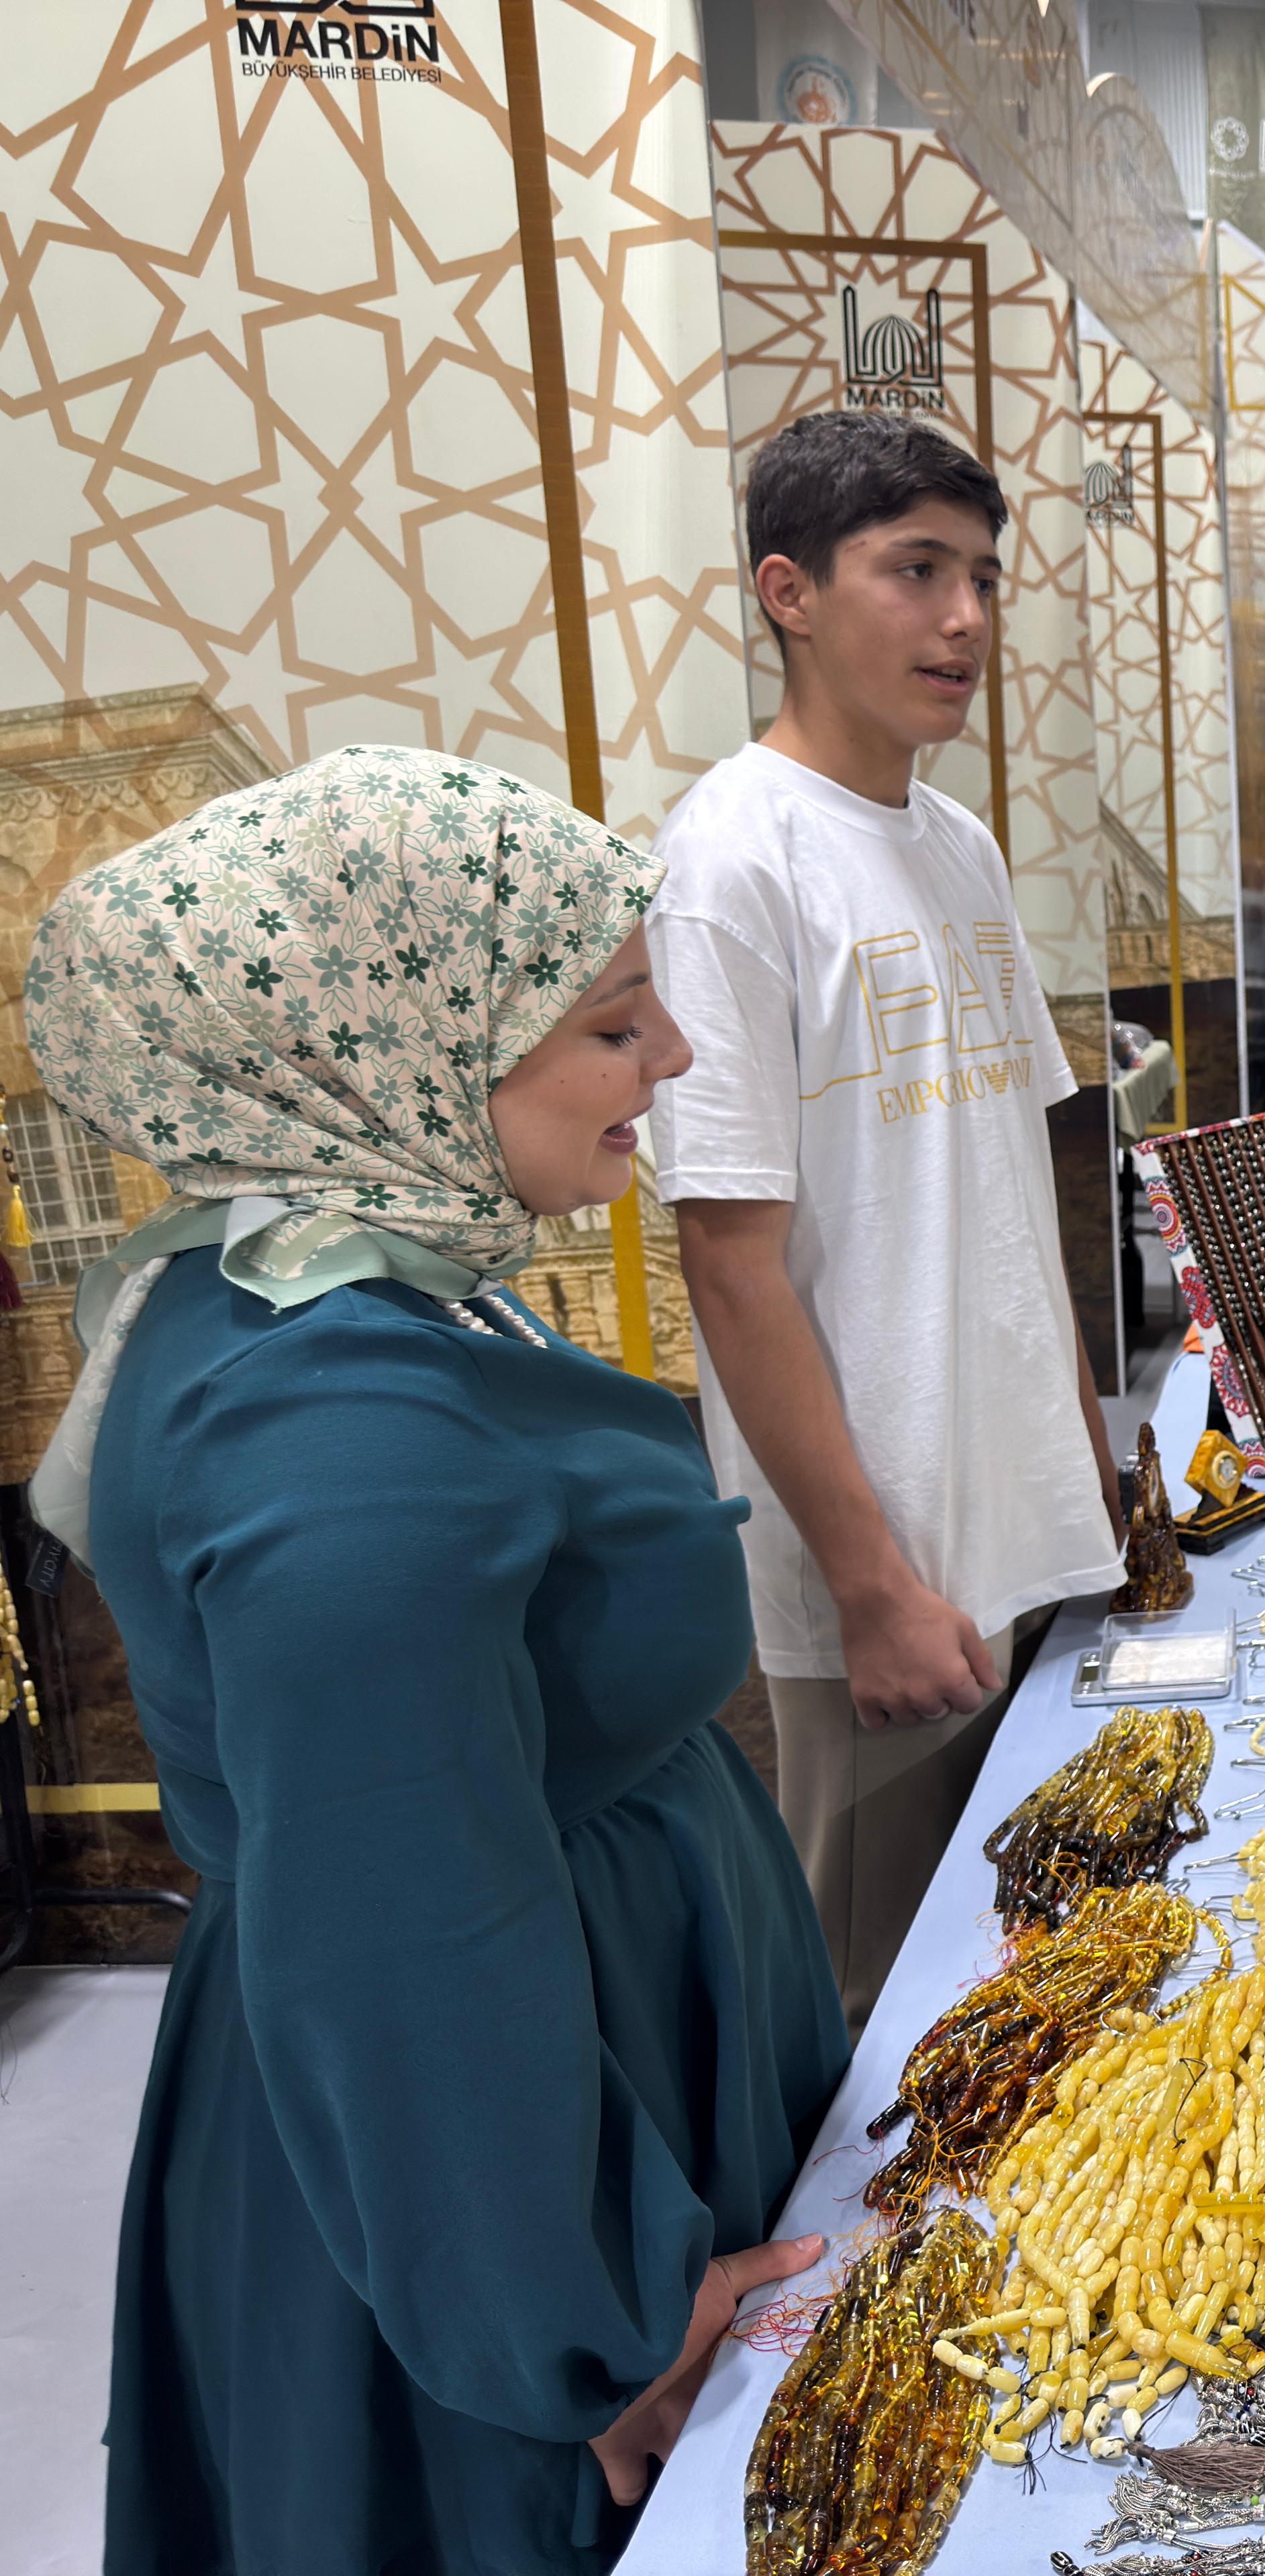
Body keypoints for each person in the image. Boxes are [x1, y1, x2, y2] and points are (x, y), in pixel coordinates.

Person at [42, 747, 847, 2573]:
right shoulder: (339, 1433)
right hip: (509, 2158)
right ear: (392, 1052)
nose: (673, 1060)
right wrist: (590, 2319)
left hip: (558, 2079)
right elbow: (401, 1930)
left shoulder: (330, 1284)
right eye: (614, 1026)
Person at [648, 410, 1125, 2021]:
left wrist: (1085, 1452)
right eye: (915, 571)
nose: (965, 619)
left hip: (1018, 1511)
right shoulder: (732, 864)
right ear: (788, 591)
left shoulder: (958, 842)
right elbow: (731, 1263)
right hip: (885, 1549)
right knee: (879, 2010)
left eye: (982, 578)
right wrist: (868, 1585)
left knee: (1020, 1967)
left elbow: (1010, 1191)